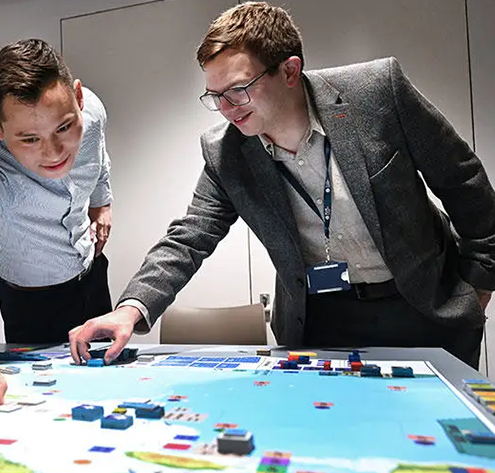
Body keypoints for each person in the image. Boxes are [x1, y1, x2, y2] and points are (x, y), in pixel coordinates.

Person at [69, 2, 495, 369]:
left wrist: (478, 287)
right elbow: (188, 238)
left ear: (289, 70)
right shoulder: (226, 152)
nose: (224, 109)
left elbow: (465, 183)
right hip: (322, 322)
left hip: (422, 306)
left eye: (236, 90)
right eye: (213, 95)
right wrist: (130, 310)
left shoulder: (377, 92)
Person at [0, 39, 114, 411]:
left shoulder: (91, 112)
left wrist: (101, 201)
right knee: (52, 405)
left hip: (91, 271)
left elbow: (98, 155)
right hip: (33, 301)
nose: (55, 152)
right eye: (29, 139)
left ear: (77, 97)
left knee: (109, 390)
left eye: (64, 127)